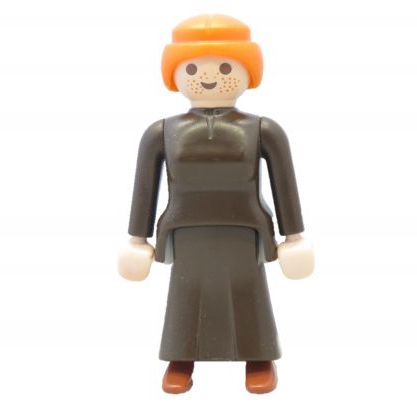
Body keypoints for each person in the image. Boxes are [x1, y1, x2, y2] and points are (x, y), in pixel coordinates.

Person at [118, 14, 314, 394]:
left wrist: (294, 236)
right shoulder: (162, 132)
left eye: (225, 67)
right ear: (174, 74)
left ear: (248, 71)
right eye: (192, 68)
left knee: (248, 291)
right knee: (186, 294)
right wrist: (136, 239)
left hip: (245, 228)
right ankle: (180, 356)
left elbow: (284, 183)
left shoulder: (263, 130)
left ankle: (258, 356)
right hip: (185, 229)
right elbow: (145, 186)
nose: (208, 77)